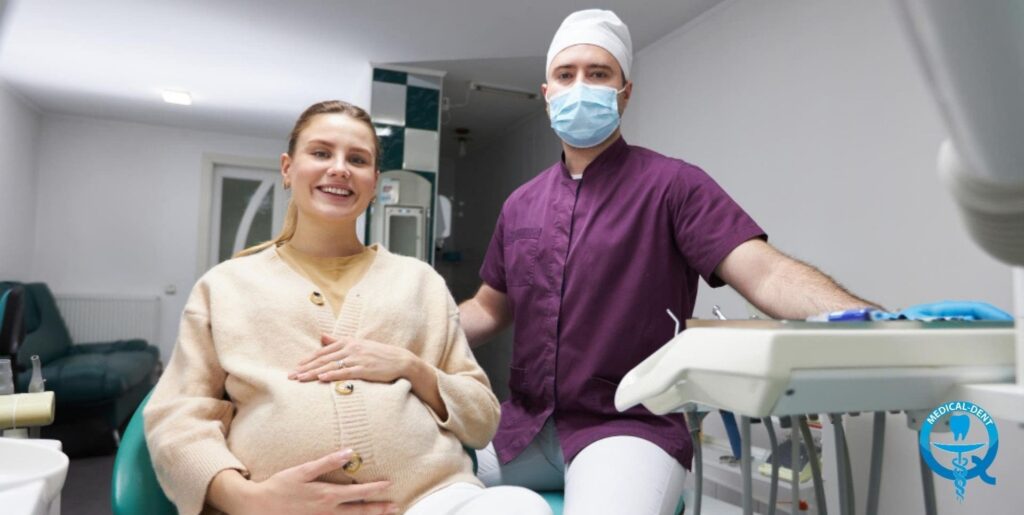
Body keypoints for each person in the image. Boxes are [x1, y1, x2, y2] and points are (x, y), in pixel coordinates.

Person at [457, 10, 882, 515]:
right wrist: (398, 334)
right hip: (523, 428)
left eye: (598, 74)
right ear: (547, 92)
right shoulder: (520, 204)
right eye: (566, 75)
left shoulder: (673, 186)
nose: (580, 86)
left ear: (625, 92)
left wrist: (876, 323)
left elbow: (764, 272)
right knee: (401, 472)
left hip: (626, 425)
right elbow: (488, 309)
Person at [144, 100, 552, 515]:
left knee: (523, 507)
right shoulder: (225, 287)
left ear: (373, 182)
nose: (339, 168)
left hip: (431, 500)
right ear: (287, 168)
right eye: (321, 153)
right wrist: (247, 498)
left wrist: (412, 368)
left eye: (357, 159)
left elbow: (482, 418)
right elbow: (177, 419)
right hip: (277, 508)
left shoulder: (420, 282)